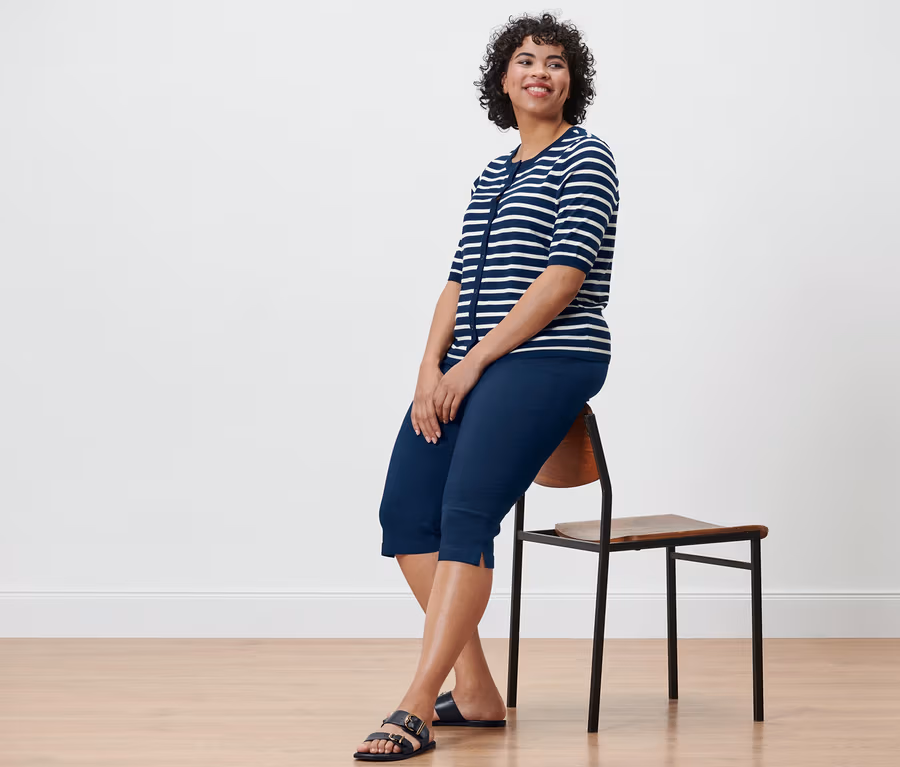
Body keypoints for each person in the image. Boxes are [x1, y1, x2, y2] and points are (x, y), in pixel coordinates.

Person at [354, 11, 620, 761]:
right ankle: (473, 689)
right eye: (526, 59)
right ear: (503, 80)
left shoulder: (587, 158)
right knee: (407, 512)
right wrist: (429, 368)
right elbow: (457, 280)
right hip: (472, 362)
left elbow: (563, 278)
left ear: (571, 83)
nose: (541, 71)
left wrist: (472, 364)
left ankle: (415, 704)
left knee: (466, 515)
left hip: (550, 356)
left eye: (557, 62)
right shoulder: (492, 174)